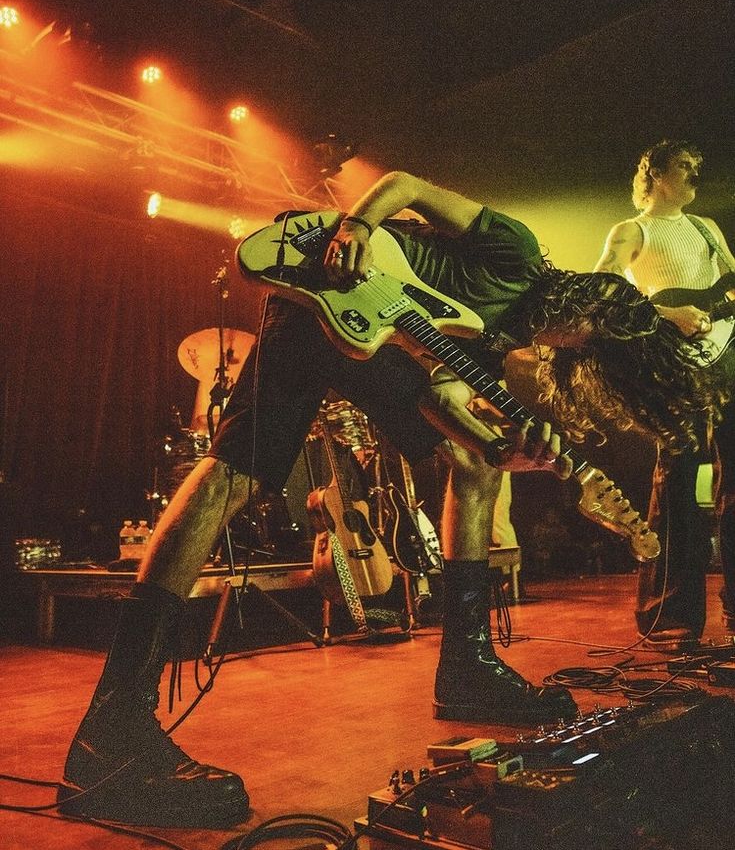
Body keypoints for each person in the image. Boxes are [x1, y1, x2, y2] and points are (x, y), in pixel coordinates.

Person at [59, 170, 718, 827]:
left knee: (475, 460)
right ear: (588, 310)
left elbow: (443, 397)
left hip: (370, 335)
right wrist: (356, 226)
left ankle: (467, 662)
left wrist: (524, 453)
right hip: (329, 286)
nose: (571, 347)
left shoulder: (498, 338)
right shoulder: (513, 251)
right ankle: (114, 725)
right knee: (235, 474)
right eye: (586, 340)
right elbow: (406, 185)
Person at [595, 140, 734, 650]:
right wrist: (666, 315)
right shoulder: (633, 230)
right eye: (684, 166)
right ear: (654, 172)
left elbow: (728, 288)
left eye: (699, 165)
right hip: (675, 363)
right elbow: (603, 287)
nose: (696, 173)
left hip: (727, 357)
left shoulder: (706, 229)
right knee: (677, 481)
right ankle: (669, 618)